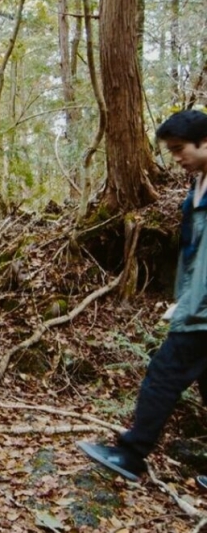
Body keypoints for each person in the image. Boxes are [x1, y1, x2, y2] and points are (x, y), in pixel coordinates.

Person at [78, 109, 207, 481]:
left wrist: (192, 305)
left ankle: (131, 456)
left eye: (181, 148)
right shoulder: (196, 185)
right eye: (171, 150)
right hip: (194, 305)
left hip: (202, 314)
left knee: (162, 376)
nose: (176, 157)